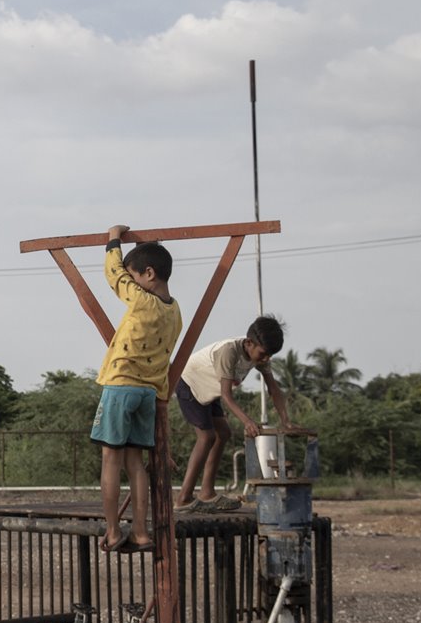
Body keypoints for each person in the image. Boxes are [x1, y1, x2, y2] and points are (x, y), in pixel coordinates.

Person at [90, 225, 182, 554]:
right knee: (136, 464)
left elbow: (114, 274)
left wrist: (112, 238)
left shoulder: (143, 302)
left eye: (135, 276)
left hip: (121, 385)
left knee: (110, 460)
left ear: (148, 274)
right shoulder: (175, 313)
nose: (130, 282)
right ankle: (141, 532)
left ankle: (113, 530)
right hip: (148, 393)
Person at [176, 316, 292, 512]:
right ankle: (183, 499)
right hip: (190, 384)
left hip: (209, 391)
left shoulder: (261, 355)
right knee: (206, 437)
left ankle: (207, 493)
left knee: (224, 433)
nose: (265, 360)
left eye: (270, 355)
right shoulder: (229, 351)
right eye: (263, 354)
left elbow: (273, 389)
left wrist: (286, 421)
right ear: (249, 343)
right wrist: (247, 421)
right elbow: (227, 395)